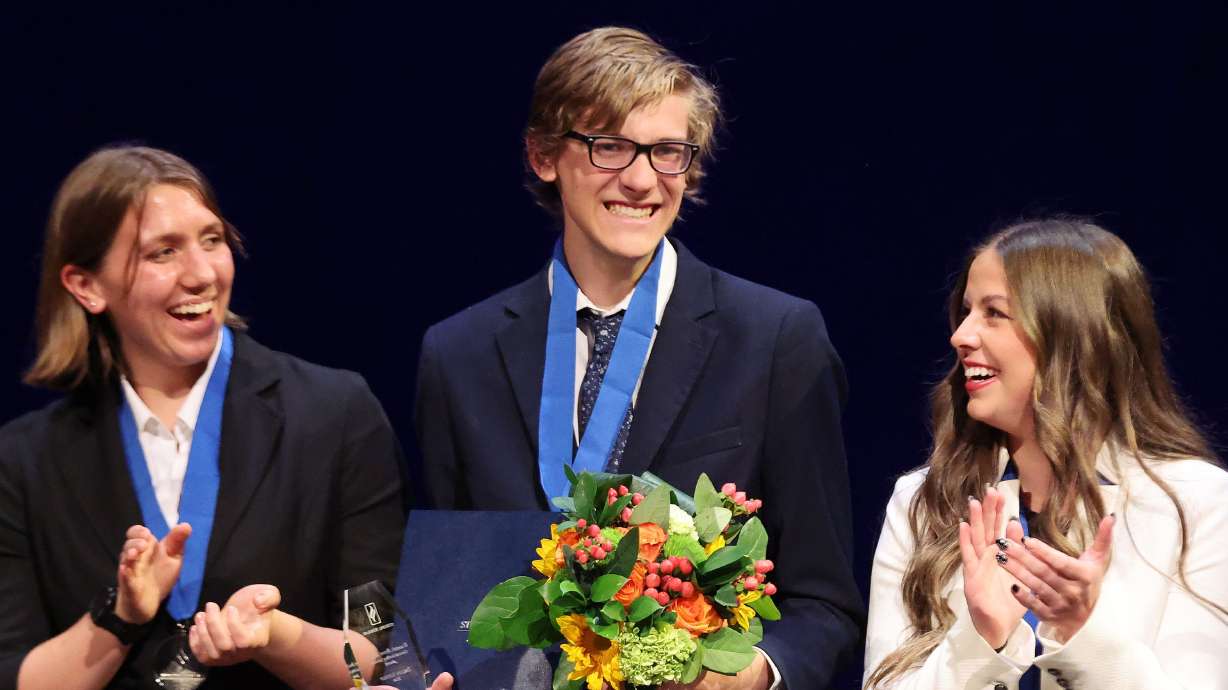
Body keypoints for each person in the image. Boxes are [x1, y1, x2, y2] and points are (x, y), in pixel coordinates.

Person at [415, 27, 863, 689]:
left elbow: (824, 604)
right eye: (611, 147)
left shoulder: (775, 341)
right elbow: (452, 598)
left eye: (667, 152)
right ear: (543, 155)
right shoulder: (459, 356)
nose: (641, 178)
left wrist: (748, 678)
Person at [0, 145, 451, 690]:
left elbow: (379, 648)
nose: (201, 274)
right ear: (86, 286)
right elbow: (20, 678)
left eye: (211, 240)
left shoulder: (334, 414)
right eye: (162, 252)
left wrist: (276, 636)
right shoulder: (24, 461)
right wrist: (119, 616)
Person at [863, 218, 1228, 689]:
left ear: (1073, 334)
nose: (962, 335)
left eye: (995, 313)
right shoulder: (923, 501)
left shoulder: (1199, 505)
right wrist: (983, 640)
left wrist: (1084, 635)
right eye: (968, 310)